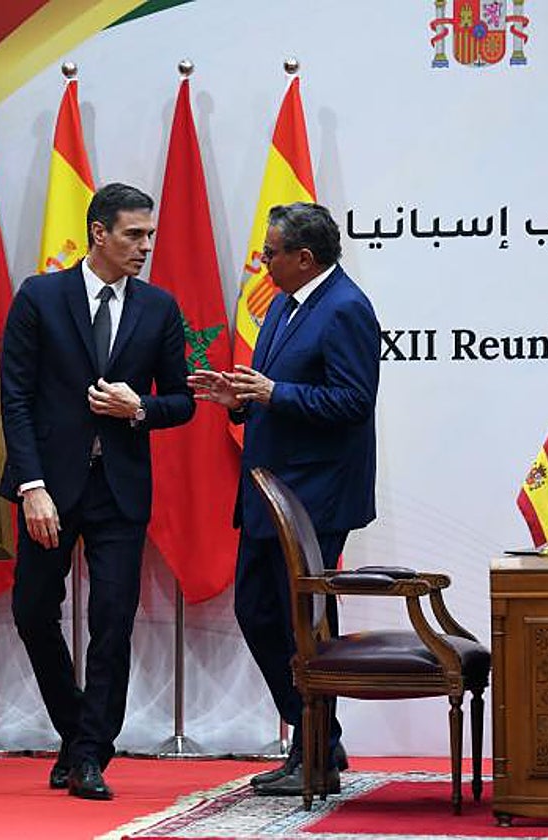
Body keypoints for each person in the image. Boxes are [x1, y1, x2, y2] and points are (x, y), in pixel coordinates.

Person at [0, 183, 195, 800]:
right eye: (134, 235)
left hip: (120, 492)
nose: (145, 246)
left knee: (112, 622)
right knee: (33, 610)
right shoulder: (41, 296)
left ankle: (90, 756)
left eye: (150, 235)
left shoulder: (158, 308)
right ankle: (76, 726)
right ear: (98, 234)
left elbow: (182, 401)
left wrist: (141, 410)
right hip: (47, 488)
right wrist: (32, 486)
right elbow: (17, 399)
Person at [189, 202, 379, 796]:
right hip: (270, 489)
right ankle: (316, 730)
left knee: (306, 624)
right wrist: (240, 398)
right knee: (258, 611)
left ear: (305, 257)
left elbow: (353, 401)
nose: (263, 262)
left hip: (316, 494)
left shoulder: (347, 308)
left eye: (271, 253)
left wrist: (275, 391)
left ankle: (314, 747)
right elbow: (276, 393)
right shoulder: (282, 304)